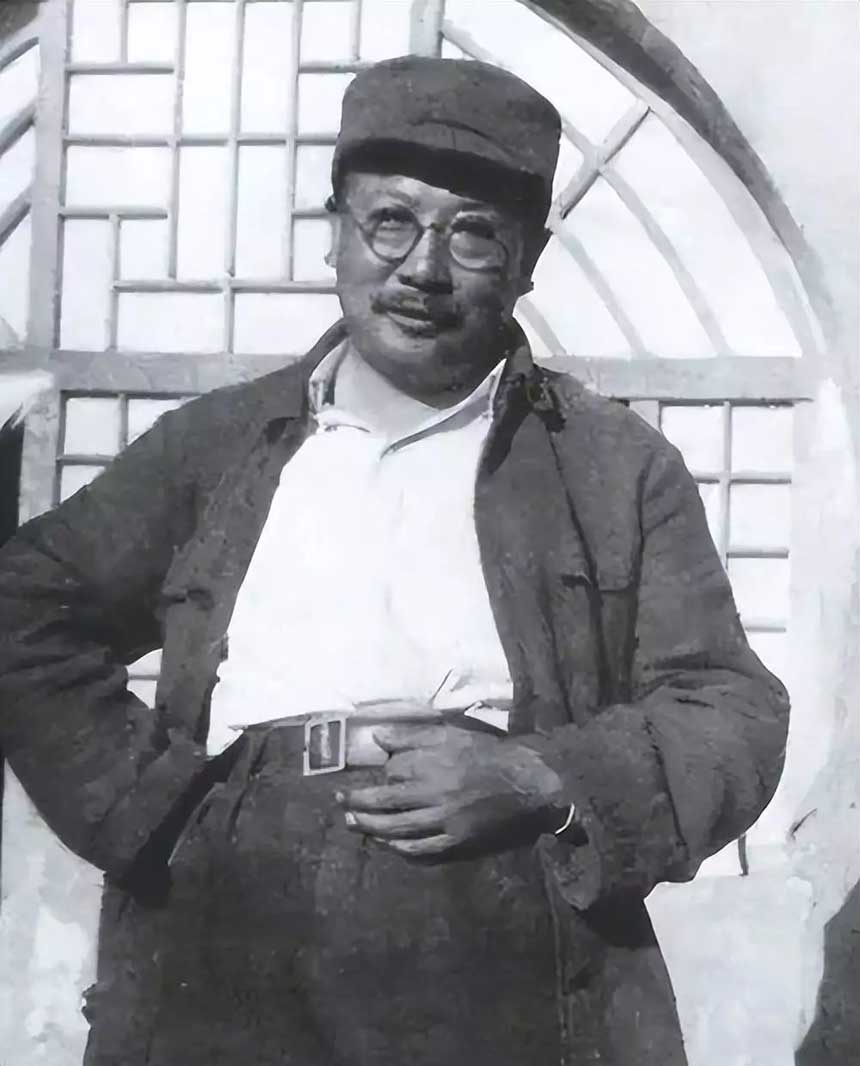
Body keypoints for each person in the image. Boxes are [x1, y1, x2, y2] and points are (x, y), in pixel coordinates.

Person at [0, 56, 789, 1066]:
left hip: (502, 923)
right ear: (335, 230)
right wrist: (153, 807)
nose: (423, 268)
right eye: (390, 221)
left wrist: (544, 775)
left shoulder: (612, 466)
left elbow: (728, 706)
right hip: (230, 925)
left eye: (472, 233)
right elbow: (26, 607)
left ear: (527, 261)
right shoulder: (217, 445)